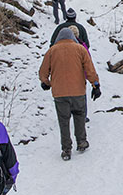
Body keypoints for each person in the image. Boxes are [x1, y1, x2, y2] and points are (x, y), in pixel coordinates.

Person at [38, 30, 101, 160]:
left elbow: (43, 71)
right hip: (78, 91)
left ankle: (66, 150)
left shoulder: (51, 51)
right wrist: (95, 85)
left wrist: (46, 82)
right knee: (79, 116)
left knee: (63, 121)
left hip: (59, 93)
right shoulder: (80, 49)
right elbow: (89, 70)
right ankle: (82, 142)